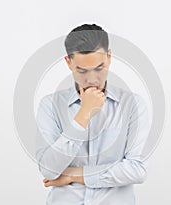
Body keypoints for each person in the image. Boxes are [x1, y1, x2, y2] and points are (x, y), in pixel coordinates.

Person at [35, 24, 150, 205]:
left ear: (109, 57)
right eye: (82, 70)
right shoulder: (50, 106)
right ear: (69, 62)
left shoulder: (133, 105)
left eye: (99, 68)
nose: (92, 79)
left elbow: (136, 169)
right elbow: (49, 170)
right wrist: (84, 114)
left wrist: (74, 174)